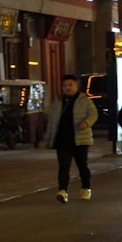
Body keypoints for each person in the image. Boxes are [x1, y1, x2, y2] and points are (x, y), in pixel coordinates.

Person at [45, 74, 98, 202]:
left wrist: (86, 123)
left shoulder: (84, 100)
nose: (67, 88)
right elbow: (52, 121)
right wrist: (48, 138)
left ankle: (86, 188)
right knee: (63, 166)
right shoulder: (58, 102)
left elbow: (93, 114)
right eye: (65, 85)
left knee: (82, 164)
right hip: (62, 139)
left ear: (76, 86)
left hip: (80, 139)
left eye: (70, 85)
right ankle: (62, 191)